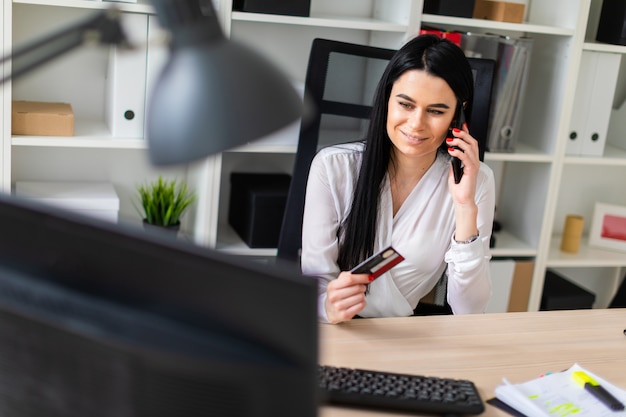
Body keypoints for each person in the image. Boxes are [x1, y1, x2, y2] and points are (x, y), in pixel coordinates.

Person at [300, 34, 496, 324]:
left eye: (436, 111)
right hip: (332, 330)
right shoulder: (334, 167)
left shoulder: (475, 180)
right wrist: (328, 306)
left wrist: (465, 206)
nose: (416, 124)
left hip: (402, 336)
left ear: (459, 115)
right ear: (387, 98)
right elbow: (315, 289)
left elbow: (469, 309)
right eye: (406, 104)